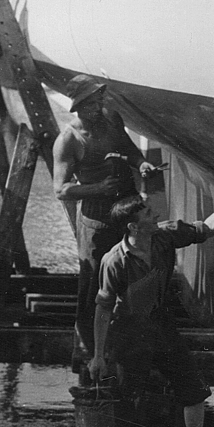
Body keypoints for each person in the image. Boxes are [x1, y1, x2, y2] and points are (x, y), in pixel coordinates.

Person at [91, 192, 214, 427]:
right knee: (125, 404)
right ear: (134, 226)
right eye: (147, 212)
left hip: (162, 325)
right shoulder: (114, 261)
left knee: (194, 390)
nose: (155, 213)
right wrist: (97, 355)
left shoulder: (164, 236)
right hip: (130, 335)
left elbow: (205, 229)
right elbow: (103, 309)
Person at [52, 74, 158, 371]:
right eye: (93, 102)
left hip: (126, 211)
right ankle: (90, 351)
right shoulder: (69, 140)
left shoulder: (112, 119)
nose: (99, 106)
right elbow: (60, 190)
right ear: (79, 106)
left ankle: (127, 345)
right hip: (96, 219)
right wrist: (97, 188)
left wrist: (142, 164)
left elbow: (130, 150)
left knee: (134, 275)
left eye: (100, 100)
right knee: (94, 284)